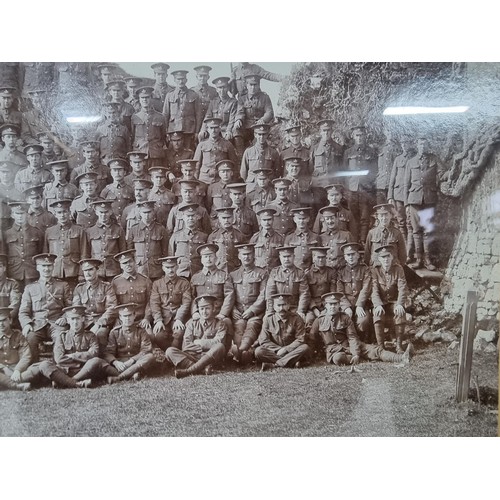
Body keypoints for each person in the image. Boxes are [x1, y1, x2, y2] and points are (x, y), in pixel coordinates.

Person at [310, 292, 413, 366]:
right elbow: (313, 338)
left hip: (350, 345)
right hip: (335, 351)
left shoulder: (345, 318)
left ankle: (401, 358)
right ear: (325, 306)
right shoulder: (319, 320)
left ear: (338, 305)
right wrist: (320, 352)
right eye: (330, 304)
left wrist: (355, 353)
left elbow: (352, 337)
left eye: (335, 304)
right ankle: (357, 358)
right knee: (338, 358)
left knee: (376, 350)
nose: (332, 307)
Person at [25, 305, 102, 389]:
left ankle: (62, 381)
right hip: (64, 370)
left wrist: (72, 356)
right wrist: (82, 358)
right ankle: (76, 383)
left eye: (77, 319)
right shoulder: (62, 336)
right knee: (44, 365)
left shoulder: (91, 336)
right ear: (68, 320)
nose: (75, 323)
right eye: (72, 319)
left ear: (83, 319)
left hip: (83, 370)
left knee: (95, 361)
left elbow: (94, 354)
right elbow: (59, 359)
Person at [19, 253, 72, 363]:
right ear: (38, 268)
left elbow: (70, 307)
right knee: (30, 338)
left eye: (49, 266)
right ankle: (34, 369)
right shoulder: (30, 288)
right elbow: (23, 311)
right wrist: (26, 324)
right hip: (37, 324)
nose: (46, 269)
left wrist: (65, 317)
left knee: (61, 337)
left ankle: (58, 369)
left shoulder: (63, 285)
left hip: (56, 323)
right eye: (43, 266)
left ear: (53, 267)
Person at [403, 137, 445, 270]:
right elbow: (406, 183)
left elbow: (443, 173)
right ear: (417, 145)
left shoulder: (434, 159)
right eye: (420, 144)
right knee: (416, 230)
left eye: (425, 144)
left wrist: (439, 182)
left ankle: (427, 260)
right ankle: (419, 259)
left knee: (427, 230)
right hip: (414, 199)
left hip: (429, 199)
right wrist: (406, 204)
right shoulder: (411, 162)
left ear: (428, 146)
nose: (423, 147)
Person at [165, 295, 229, 379]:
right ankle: (201, 369)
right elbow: (186, 346)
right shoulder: (192, 323)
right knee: (169, 351)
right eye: (202, 309)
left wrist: (200, 343)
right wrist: (206, 346)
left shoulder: (220, 324)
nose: (204, 312)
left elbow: (218, 342)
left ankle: (188, 371)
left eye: (207, 308)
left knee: (220, 347)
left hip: (210, 357)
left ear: (213, 309)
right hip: (192, 357)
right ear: (198, 310)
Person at [229, 244, 268, 364]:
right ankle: (244, 353)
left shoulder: (262, 273)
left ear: (254, 255)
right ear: (239, 256)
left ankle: (241, 351)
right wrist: (232, 309)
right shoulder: (233, 275)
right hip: (239, 312)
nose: (246, 257)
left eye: (249, 254)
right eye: (244, 254)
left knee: (252, 325)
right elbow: (229, 295)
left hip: (255, 312)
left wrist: (252, 310)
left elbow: (263, 295)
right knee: (239, 326)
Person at [256, 293, 311, 371]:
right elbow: (264, 340)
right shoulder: (268, 319)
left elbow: (300, 339)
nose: (281, 308)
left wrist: (286, 349)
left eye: (284, 305)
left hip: (292, 350)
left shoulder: (296, 318)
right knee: (259, 351)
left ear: (288, 305)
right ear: (274, 307)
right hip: (276, 352)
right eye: (278, 305)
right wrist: (278, 350)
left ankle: (276, 364)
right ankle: (291, 362)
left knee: (305, 348)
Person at [72, 259, 117, 352]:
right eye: (85, 271)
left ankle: (100, 361)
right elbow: (76, 310)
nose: (87, 273)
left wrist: (99, 323)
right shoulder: (79, 289)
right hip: (85, 322)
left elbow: (111, 308)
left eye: (90, 270)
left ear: (97, 270)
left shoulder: (106, 287)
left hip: (102, 323)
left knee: (100, 335)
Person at [343, 125, 378, 244]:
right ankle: (353, 241)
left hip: (365, 189)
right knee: (353, 216)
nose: (360, 138)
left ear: (365, 136)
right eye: (357, 135)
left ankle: (363, 241)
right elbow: (344, 171)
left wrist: (369, 183)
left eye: (362, 135)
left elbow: (374, 170)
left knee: (364, 216)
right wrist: (345, 189)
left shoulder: (371, 152)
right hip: (352, 188)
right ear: (353, 136)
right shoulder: (348, 152)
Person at [104, 303, 156, 384]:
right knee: (103, 363)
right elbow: (109, 352)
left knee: (150, 357)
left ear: (134, 316)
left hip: (136, 362)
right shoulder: (114, 332)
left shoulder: (141, 331)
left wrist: (132, 360)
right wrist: (115, 362)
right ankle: (132, 374)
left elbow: (145, 350)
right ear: (120, 317)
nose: (127, 319)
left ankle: (119, 377)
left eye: (129, 315)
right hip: (121, 364)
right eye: (124, 316)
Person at [371, 244, 409, 353]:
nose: (386, 259)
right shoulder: (375, 271)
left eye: (388, 256)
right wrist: (377, 304)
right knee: (377, 313)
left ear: (392, 257)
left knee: (400, 311)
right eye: (383, 257)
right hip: (381, 303)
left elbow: (402, 288)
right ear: (379, 259)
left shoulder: (398, 269)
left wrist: (400, 303)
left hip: (394, 302)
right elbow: (374, 290)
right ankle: (381, 347)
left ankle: (398, 346)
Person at [150, 256, 192, 351]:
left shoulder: (184, 283)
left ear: (177, 267)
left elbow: (186, 303)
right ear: (163, 268)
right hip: (163, 318)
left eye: (173, 267)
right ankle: (171, 354)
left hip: (178, 317)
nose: (170, 270)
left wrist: (179, 319)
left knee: (179, 332)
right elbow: (154, 303)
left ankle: (171, 357)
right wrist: (158, 320)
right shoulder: (157, 284)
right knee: (158, 335)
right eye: (167, 267)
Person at [44, 199, 90, 284]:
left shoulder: (79, 230)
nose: (62, 215)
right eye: (59, 213)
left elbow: (84, 253)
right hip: (55, 272)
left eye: (64, 212)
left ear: (69, 212)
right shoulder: (49, 232)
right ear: (55, 214)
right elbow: (46, 254)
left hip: (74, 272)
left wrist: (81, 273)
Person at [337, 242, 372, 343]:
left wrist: (360, 305)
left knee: (363, 321)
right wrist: (346, 307)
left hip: (361, 304)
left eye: (353, 254)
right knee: (341, 322)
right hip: (345, 305)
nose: (351, 257)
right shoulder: (341, 271)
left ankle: (362, 342)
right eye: (348, 255)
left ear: (358, 255)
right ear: (345, 257)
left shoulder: (365, 269)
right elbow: (339, 291)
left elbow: (366, 288)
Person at [126, 200, 169, 280]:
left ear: (153, 212)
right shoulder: (133, 229)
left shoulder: (160, 229)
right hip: (140, 268)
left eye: (149, 212)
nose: (147, 215)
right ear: (140, 213)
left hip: (156, 269)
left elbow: (165, 251)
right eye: (144, 212)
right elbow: (130, 251)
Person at [4, 201, 44, 286]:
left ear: (27, 214)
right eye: (17, 213)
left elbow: (41, 252)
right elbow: (5, 254)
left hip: (32, 272)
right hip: (14, 272)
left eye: (22, 213)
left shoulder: (36, 232)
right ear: (12, 215)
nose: (20, 216)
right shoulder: (7, 234)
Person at [265, 246, 310, 318]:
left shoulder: (300, 273)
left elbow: (304, 293)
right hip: (278, 309)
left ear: (293, 257)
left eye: (289, 256)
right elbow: (270, 293)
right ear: (280, 257)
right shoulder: (274, 272)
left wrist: (301, 311)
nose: (286, 259)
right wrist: (270, 311)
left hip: (294, 308)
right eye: (284, 257)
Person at [234, 74, 274, 154]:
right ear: (247, 85)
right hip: (247, 127)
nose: (253, 87)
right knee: (236, 131)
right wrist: (238, 119)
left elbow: (269, 112)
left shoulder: (265, 97)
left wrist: (262, 119)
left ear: (258, 85)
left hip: (260, 126)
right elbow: (240, 111)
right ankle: (241, 156)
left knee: (258, 142)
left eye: (255, 85)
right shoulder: (242, 99)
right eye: (251, 85)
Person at [86, 200, 126, 280]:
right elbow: (86, 253)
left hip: (114, 269)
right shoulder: (90, 231)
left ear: (111, 212)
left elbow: (123, 251)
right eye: (101, 212)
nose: (103, 215)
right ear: (96, 212)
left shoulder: (118, 229)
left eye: (106, 212)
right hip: (96, 270)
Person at [163, 69, 203, 148]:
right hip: (174, 130)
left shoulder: (193, 95)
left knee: (189, 153)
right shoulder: (169, 95)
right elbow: (165, 114)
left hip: (189, 130)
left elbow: (198, 115)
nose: (181, 81)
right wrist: (166, 132)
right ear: (174, 80)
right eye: (178, 79)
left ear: (186, 80)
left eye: (182, 79)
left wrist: (197, 132)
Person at [111, 250, 152, 326]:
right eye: (124, 263)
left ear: (135, 262)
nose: (128, 265)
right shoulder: (116, 282)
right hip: (123, 320)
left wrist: (147, 318)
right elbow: (113, 304)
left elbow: (150, 301)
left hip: (141, 320)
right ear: (121, 266)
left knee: (150, 336)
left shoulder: (145, 280)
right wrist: (117, 319)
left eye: (130, 261)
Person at [167, 203, 208, 278]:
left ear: (197, 217)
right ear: (183, 217)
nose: (190, 218)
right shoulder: (176, 236)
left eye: (193, 216)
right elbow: (171, 257)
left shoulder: (204, 237)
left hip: (198, 272)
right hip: (180, 273)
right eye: (188, 216)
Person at [387, 136, 414, 248]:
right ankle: (404, 247)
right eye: (402, 143)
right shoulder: (398, 159)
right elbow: (392, 178)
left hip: (410, 194)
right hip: (399, 194)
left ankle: (410, 250)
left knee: (410, 223)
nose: (404, 145)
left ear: (410, 144)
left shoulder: (414, 158)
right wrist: (390, 196)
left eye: (406, 143)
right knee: (401, 222)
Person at [194, 117, 238, 184]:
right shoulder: (202, 145)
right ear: (207, 129)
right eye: (211, 128)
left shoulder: (227, 144)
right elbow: (196, 165)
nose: (213, 131)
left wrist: (233, 180)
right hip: (204, 180)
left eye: (216, 128)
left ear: (220, 129)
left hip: (221, 180)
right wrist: (196, 180)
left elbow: (234, 164)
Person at [131, 86, 167, 167]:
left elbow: (163, 136)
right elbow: (132, 136)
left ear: (151, 98)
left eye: (147, 97)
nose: (145, 100)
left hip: (156, 154)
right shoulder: (135, 117)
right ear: (139, 100)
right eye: (142, 97)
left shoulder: (160, 117)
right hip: (140, 153)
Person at [0, 307, 32, 391]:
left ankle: (6, 383)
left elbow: (26, 355)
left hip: (17, 372)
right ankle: (16, 386)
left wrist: (18, 370)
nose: (1, 324)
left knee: (38, 367)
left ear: (10, 320)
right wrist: (3, 368)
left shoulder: (18, 336)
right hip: (1, 372)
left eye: (3, 320)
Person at [240, 123, 280, 189]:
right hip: (252, 186)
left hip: (268, 186)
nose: (261, 137)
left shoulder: (273, 152)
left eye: (264, 134)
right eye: (259, 134)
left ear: (267, 135)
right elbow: (243, 172)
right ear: (255, 135)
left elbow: (278, 171)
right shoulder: (248, 152)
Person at [304, 247, 336, 328]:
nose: (321, 260)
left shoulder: (331, 272)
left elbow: (333, 292)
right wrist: (314, 309)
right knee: (309, 320)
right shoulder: (308, 274)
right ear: (313, 258)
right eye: (318, 257)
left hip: (328, 305)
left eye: (323, 257)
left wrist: (327, 307)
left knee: (332, 321)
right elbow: (307, 294)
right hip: (312, 306)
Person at [207, 207, 247, 272]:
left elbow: (245, 252)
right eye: (223, 218)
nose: (226, 220)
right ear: (219, 219)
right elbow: (209, 255)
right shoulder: (213, 236)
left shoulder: (239, 235)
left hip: (235, 269)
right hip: (218, 269)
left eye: (229, 217)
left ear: (233, 218)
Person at [199, 76, 237, 142]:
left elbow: (232, 120)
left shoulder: (232, 102)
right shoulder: (213, 102)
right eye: (220, 87)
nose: (222, 90)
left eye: (224, 87)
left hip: (224, 130)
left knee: (228, 139)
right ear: (216, 89)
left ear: (227, 88)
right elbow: (207, 117)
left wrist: (228, 131)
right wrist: (203, 129)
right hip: (213, 129)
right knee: (201, 136)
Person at [309, 119, 344, 188]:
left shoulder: (338, 147)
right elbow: (310, 167)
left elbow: (342, 166)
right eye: (324, 131)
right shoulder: (314, 148)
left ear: (332, 131)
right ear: (320, 132)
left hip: (334, 182)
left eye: (328, 130)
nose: (326, 133)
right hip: (319, 183)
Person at [206, 160, 235, 224]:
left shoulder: (235, 187)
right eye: (223, 171)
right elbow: (208, 205)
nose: (225, 174)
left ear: (232, 173)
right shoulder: (212, 187)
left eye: (227, 171)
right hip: (215, 221)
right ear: (219, 174)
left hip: (231, 220)